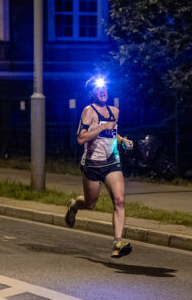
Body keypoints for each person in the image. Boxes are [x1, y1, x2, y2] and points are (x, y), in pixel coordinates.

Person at [65, 76, 134, 258]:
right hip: (92, 164)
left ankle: (117, 242)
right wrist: (102, 128)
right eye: (98, 89)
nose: (103, 91)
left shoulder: (115, 111)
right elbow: (81, 138)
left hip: (112, 162)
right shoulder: (89, 111)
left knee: (119, 201)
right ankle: (74, 205)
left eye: (105, 88)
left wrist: (123, 141)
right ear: (92, 93)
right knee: (90, 203)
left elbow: (113, 133)